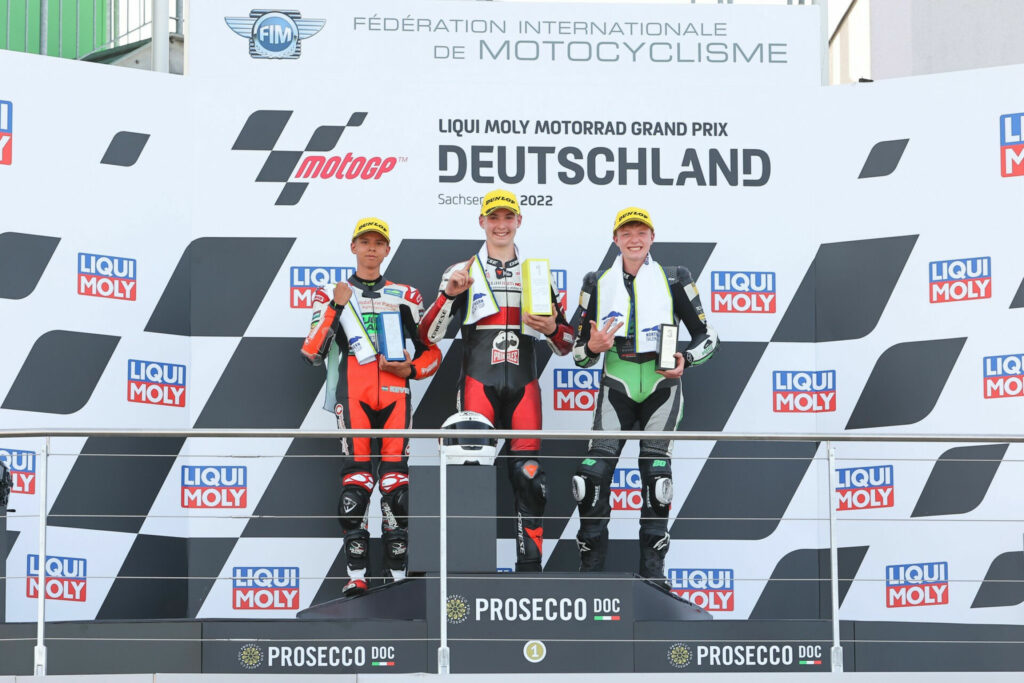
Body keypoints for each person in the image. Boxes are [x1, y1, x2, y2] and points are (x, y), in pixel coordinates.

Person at [419, 189, 574, 572]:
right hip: (478, 381)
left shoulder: (538, 274)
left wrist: (554, 327)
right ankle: (467, 570)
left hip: (524, 384)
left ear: (519, 221)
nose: (501, 225)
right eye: (494, 218)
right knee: (470, 472)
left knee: (530, 476)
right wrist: (447, 296)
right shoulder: (461, 270)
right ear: (482, 222)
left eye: (508, 218)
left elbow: (566, 345)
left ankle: (529, 570)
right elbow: (428, 336)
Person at [570, 207, 719, 585]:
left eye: (641, 232)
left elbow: (708, 337)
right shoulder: (597, 281)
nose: (634, 239)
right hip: (616, 382)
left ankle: (654, 577)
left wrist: (687, 359)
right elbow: (578, 352)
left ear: (652, 237)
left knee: (657, 479)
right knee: (590, 479)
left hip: (661, 386)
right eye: (626, 232)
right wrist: (593, 344)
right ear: (615, 238)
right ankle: (590, 576)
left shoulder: (674, 278)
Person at [301, 217, 441, 596]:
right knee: (356, 486)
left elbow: (432, 351)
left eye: (379, 242)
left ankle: (397, 581)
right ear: (353, 247)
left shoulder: (407, 296)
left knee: (398, 488)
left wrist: (410, 368)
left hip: (396, 395)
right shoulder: (331, 292)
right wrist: (335, 305)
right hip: (353, 393)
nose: (372, 248)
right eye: (365, 242)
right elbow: (311, 351)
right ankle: (356, 576)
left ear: (387, 249)